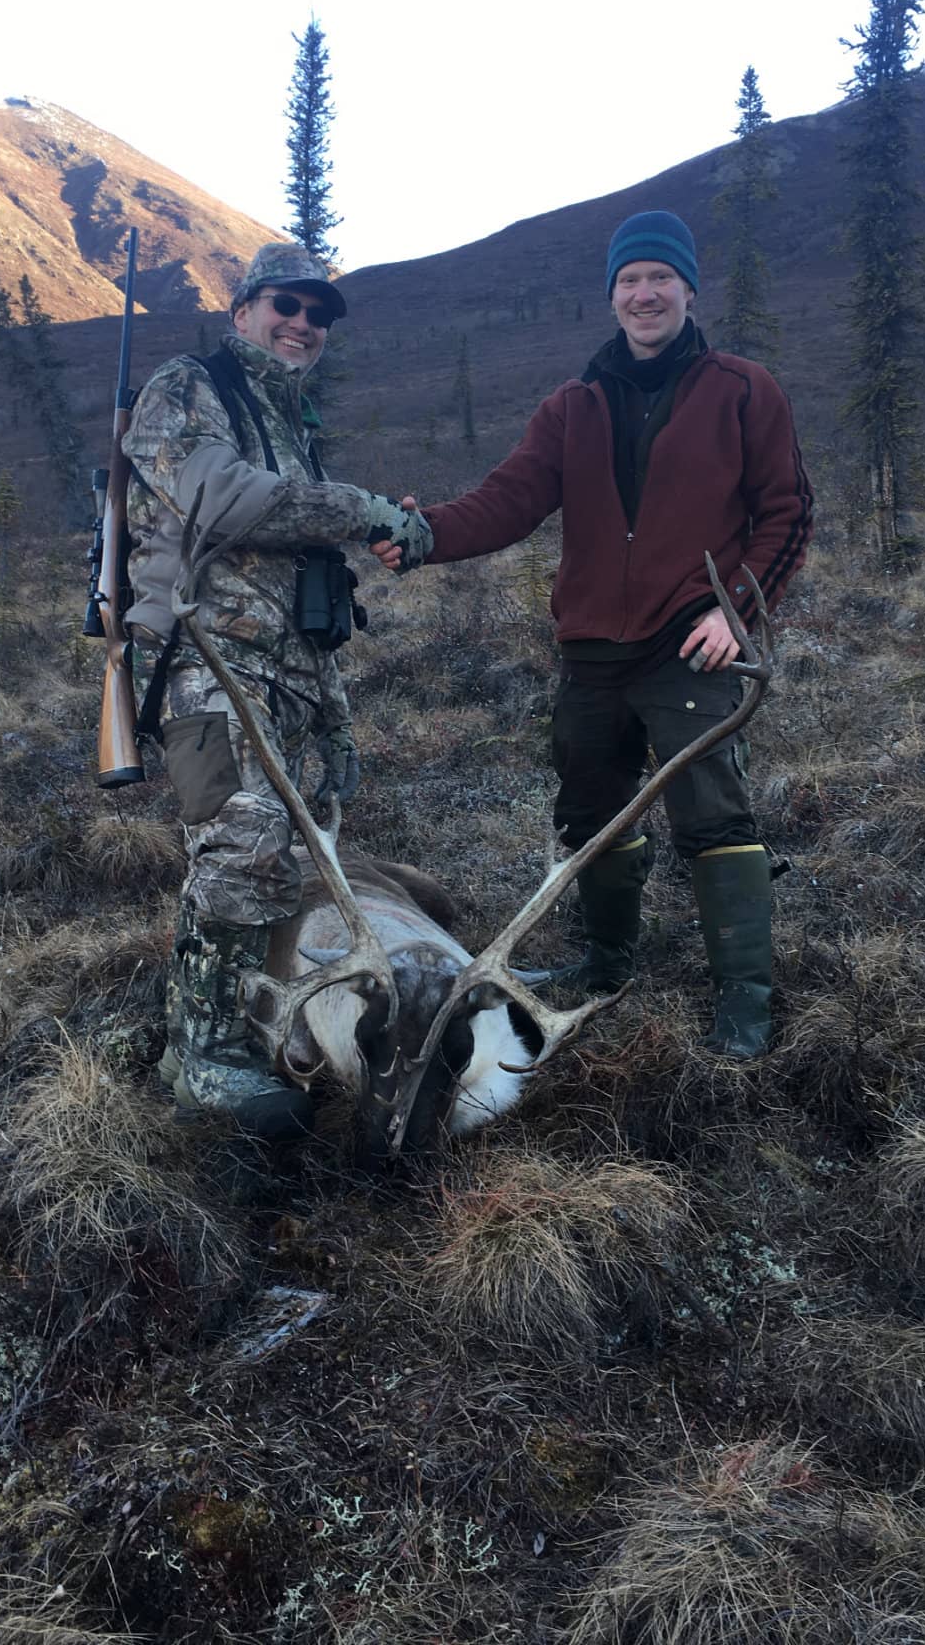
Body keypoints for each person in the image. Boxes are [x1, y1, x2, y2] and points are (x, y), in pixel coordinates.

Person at [373, 212, 813, 1059]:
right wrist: (424, 536)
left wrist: (736, 612)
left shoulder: (744, 389)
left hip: (693, 640)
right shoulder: (573, 407)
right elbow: (508, 500)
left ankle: (744, 1007)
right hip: (591, 651)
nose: (644, 295)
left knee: (713, 816)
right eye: (628, 282)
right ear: (611, 299)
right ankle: (607, 964)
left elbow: (787, 516)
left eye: (659, 278)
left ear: (688, 288)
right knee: (588, 813)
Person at [123, 243, 432, 1138]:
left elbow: (305, 597)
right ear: (244, 309)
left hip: (286, 676)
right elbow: (221, 498)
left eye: (318, 314)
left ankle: (249, 1018)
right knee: (243, 843)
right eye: (285, 306)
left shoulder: (289, 421)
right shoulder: (189, 388)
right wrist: (366, 510)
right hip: (204, 660)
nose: (303, 324)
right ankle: (199, 1053)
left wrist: (333, 721)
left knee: (290, 860)